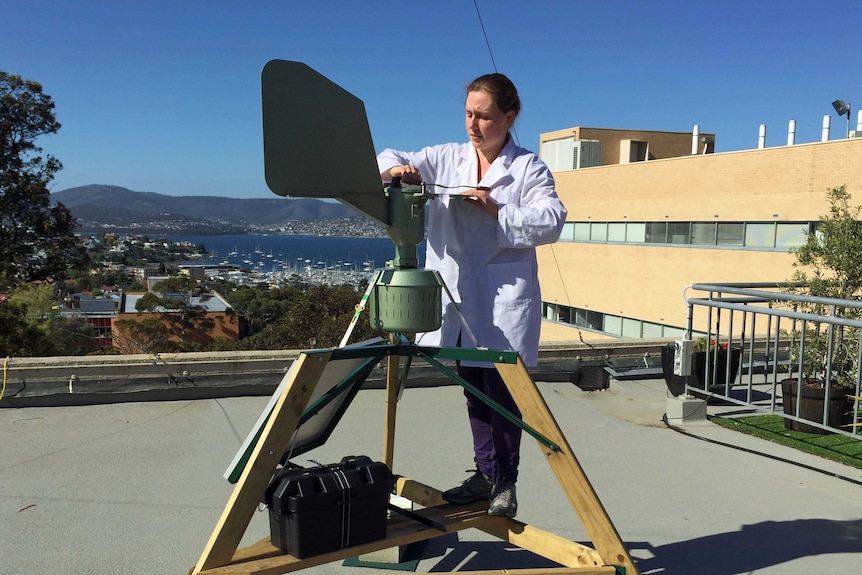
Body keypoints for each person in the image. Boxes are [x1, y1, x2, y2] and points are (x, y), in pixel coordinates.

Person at [376, 73, 566, 518]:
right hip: (460, 301)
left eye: (483, 116)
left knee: (504, 396)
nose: (473, 125)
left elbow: (552, 219)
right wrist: (396, 171)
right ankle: (484, 474)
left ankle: (505, 482)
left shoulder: (527, 168)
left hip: (503, 302)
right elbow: (392, 155)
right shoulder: (446, 158)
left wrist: (497, 209)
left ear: (509, 116)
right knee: (474, 391)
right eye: (468, 114)